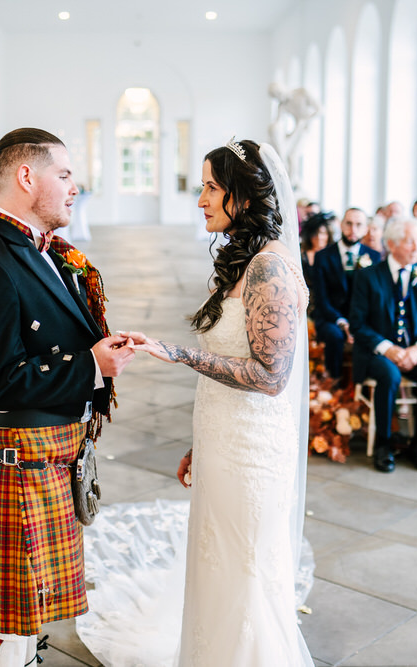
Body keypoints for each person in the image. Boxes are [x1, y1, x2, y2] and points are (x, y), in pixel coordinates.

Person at [0, 128, 133, 665]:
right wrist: (91, 365)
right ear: (27, 177)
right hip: (19, 460)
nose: (76, 187)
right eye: (66, 175)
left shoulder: (44, 252)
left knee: (26, 620)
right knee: (8, 624)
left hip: (50, 451)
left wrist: (96, 355)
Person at [123, 138, 312, 665]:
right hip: (225, 442)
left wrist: (178, 354)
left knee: (246, 576)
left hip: (253, 455)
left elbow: (271, 377)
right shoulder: (246, 260)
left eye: (210, 187)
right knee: (220, 569)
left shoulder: (270, 270)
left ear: (244, 196)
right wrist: (201, 441)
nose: (201, 198)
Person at [350, 217, 417, 473]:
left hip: (414, 351)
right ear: (391, 244)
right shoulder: (368, 277)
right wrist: (388, 349)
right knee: (389, 375)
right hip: (376, 352)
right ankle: (384, 443)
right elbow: (357, 324)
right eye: (409, 241)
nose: (416, 247)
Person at [312, 208, 379, 381]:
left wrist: (358, 323)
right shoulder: (323, 256)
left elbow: (374, 298)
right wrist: (343, 323)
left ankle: (361, 383)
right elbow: (321, 299)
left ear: (365, 229)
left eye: (359, 225)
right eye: (349, 224)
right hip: (331, 317)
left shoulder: (374, 257)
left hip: (361, 317)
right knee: (334, 335)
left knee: (373, 332)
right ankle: (334, 381)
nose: (353, 229)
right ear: (341, 225)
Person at [300, 211, 332, 288]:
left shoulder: (332, 255)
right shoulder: (302, 255)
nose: (319, 237)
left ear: (328, 235)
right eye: (315, 233)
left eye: (323, 233)